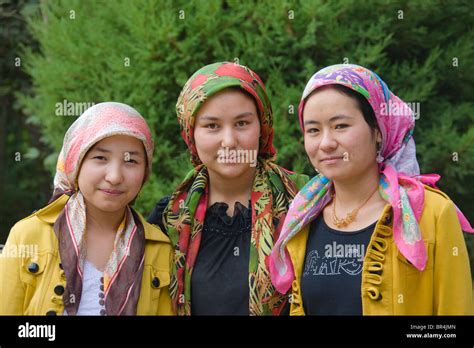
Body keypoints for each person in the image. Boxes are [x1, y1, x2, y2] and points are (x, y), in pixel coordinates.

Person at [269, 64, 473, 315]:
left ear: (377, 130)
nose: (326, 143)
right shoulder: (302, 219)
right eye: (313, 130)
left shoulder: (431, 214)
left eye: (341, 126)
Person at [148, 62, 308, 315]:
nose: (230, 141)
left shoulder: (306, 201)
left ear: (262, 127)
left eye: (242, 123)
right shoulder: (169, 219)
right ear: (191, 134)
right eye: (212, 126)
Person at [0, 102, 173, 315]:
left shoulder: (159, 249)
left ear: (145, 170)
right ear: (75, 162)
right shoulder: (28, 235)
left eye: (131, 161)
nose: (115, 176)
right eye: (100, 158)